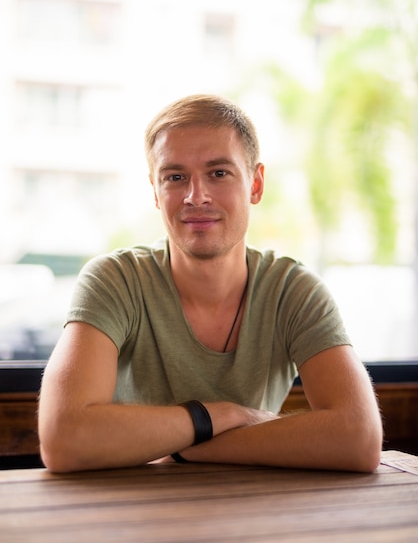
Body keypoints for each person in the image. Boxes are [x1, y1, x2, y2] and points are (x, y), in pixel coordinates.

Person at [38, 94, 383, 473]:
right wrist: (222, 416)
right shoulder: (115, 280)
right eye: (175, 177)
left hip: (259, 513)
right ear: (155, 191)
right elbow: (64, 438)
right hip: (134, 515)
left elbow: (359, 437)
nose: (195, 196)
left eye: (219, 173)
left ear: (255, 183)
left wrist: (187, 450)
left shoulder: (293, 290)